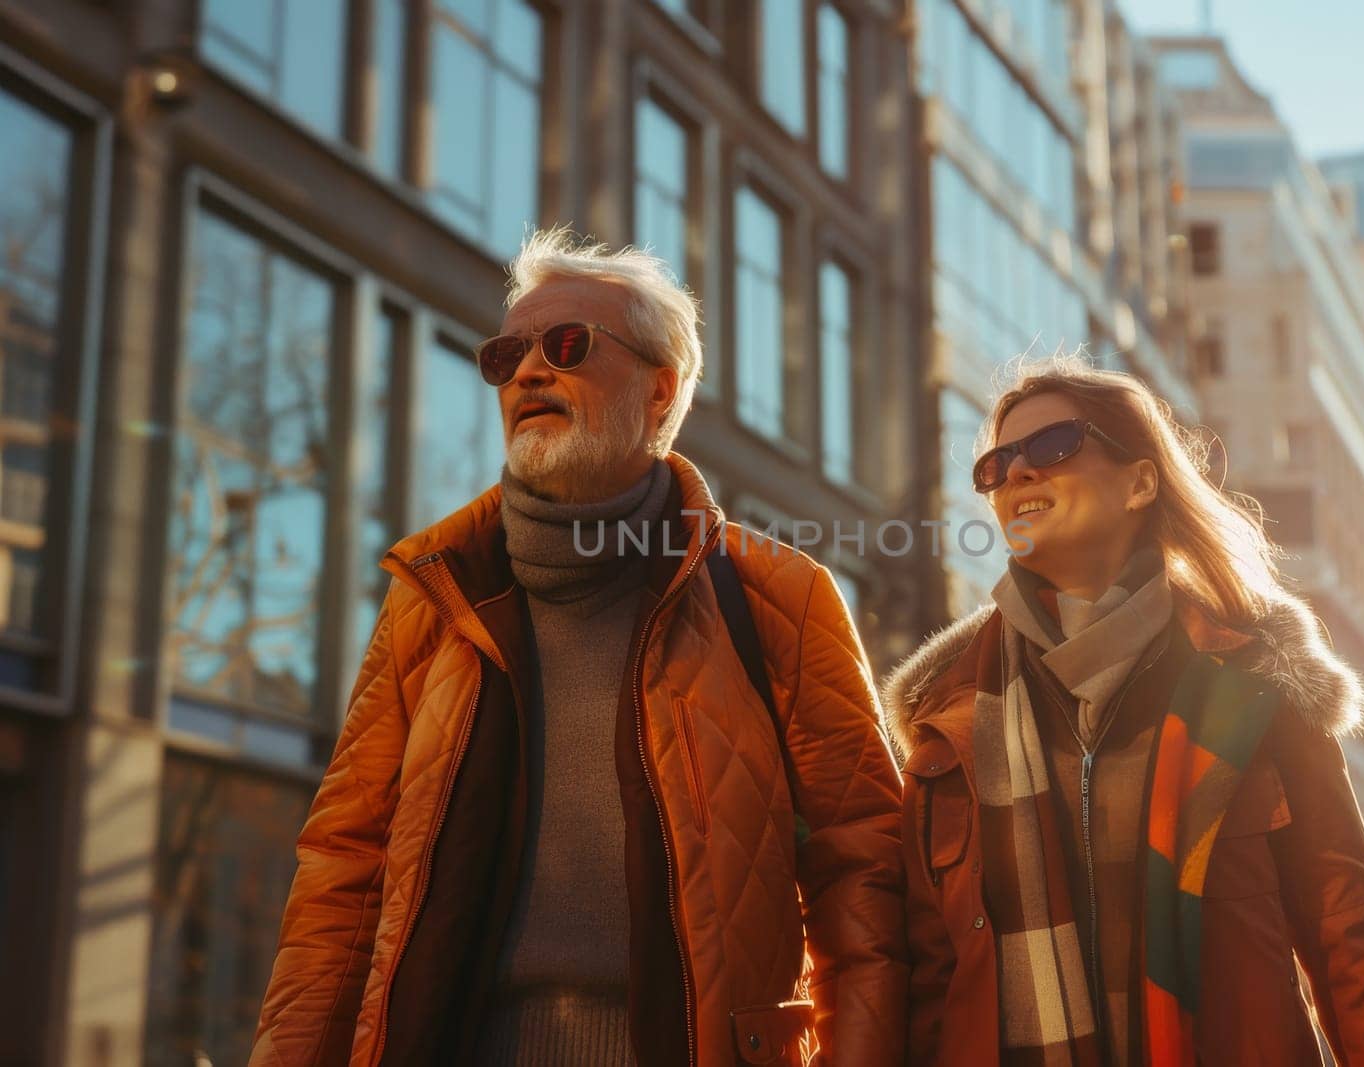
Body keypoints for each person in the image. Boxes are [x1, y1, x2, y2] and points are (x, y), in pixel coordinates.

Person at [249, 229, 907, 1066]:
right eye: (507, 353)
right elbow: (342, 875)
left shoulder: (779, 596)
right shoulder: (433, 593)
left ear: (661, 391)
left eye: (565, 346)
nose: (527, 372)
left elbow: (867, 880)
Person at [882, 354, 1364, 1066]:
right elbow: (929, 986)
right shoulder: (947, 722)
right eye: (996, 464)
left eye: (1053, 446)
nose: (1017, 472)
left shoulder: (1253, 683)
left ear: (1141, 480)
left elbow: (1350, 939)